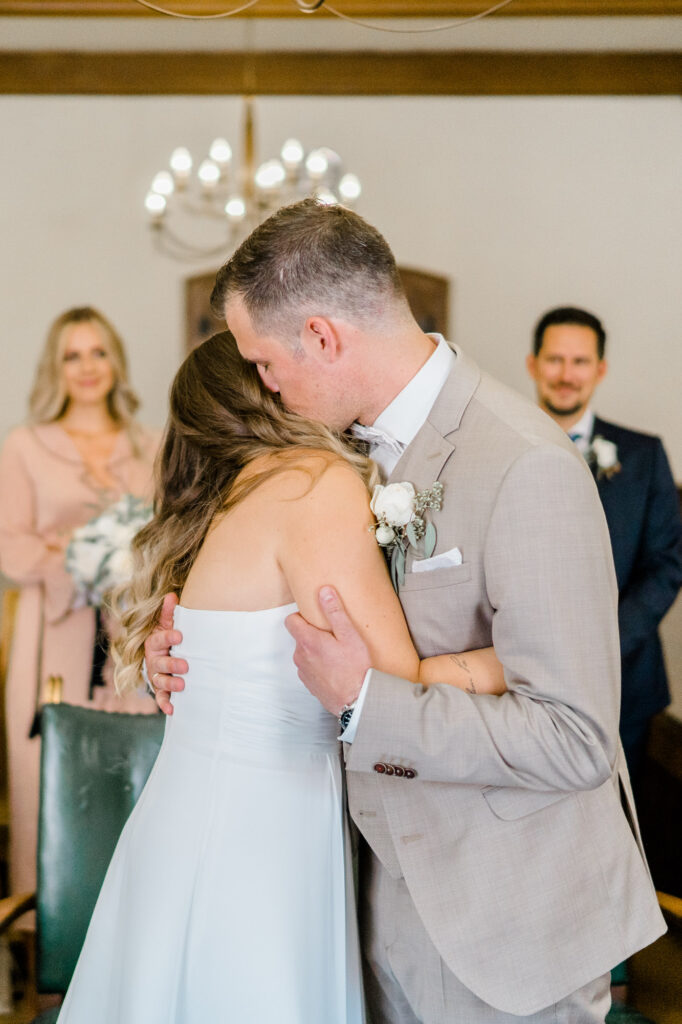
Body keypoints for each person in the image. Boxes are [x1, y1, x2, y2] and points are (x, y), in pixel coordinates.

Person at [148, 199, 666, 1024]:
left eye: (266, 363)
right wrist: (188, 655)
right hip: (369, 909)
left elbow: (574, 739)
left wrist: (367, 701)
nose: (265, 385)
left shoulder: (525, 465)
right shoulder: (331, 455)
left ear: (321, 336)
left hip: (505, 930)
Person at [57, 331, 506, 1024]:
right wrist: (511, 660)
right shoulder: (310, 485)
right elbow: (395, 685)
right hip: (256, 843)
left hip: (193, 826)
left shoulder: (231, 501)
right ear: (265, 390)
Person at [0, 306, 158, 902]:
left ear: (116, 361)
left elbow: (169, 532)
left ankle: (134, 918)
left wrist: (124, 557)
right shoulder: (26, 446)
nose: (87, 367)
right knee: (51, 772)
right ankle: (48, 928)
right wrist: (79, 557)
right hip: (57, 636)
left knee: (133, 771)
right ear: (55, 368)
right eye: (72, 355)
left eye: (98, 352)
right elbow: (13, 547)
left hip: (132, 635)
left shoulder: (152, 445)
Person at [526, 306, 682, 784]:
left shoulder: (643, 454)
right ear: (533, 365)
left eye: (579, 362)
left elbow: (667, 565)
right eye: (555, 360)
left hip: (624, 676)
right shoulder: (499, 443)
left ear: (600, 369)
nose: (566, 375)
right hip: (523, 671)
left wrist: (604, 643)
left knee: (618, 808)